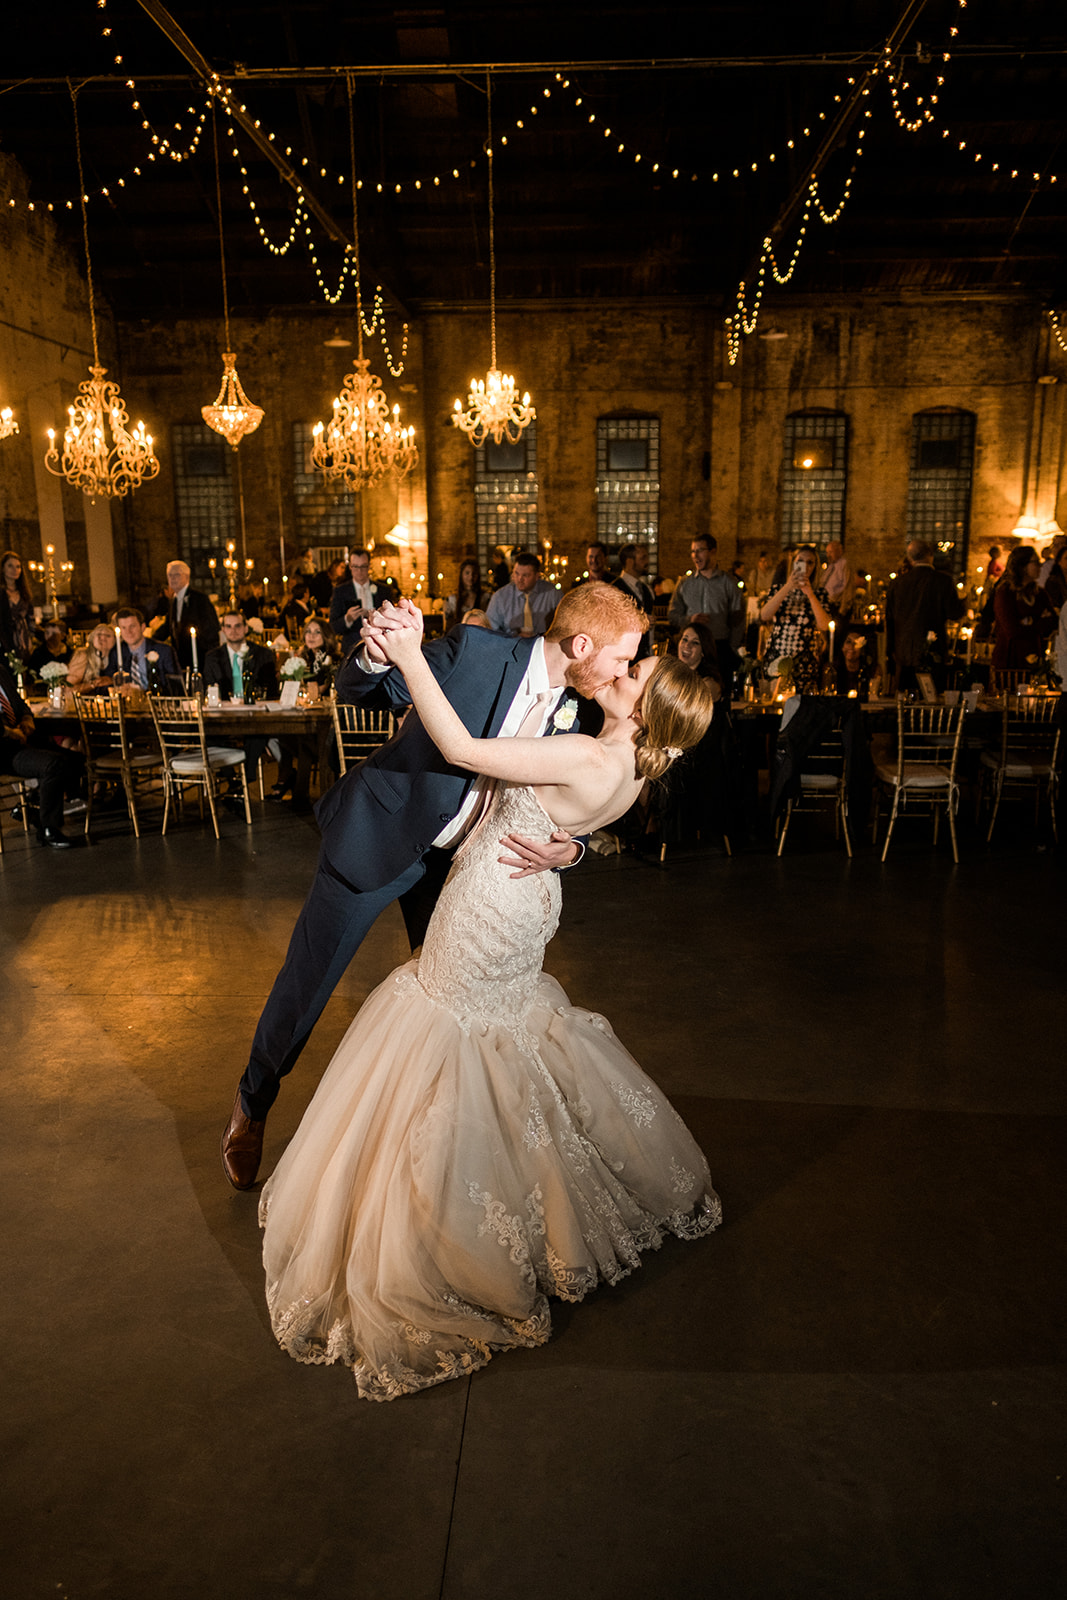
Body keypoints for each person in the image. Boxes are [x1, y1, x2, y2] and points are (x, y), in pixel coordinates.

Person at [258, 596, 720, 1400]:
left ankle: (443, 1218)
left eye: (633, 670)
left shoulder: (586, 745)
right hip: (522, 903)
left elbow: (462, 745)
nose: (623, 669)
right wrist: (573, 842)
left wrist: (405, 655)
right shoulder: (626, 765)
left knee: (448, 1027)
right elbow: (583, 810)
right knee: (499, 1031)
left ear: (643, 707)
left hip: (488, 904)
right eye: (628, 657)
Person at [222, 582, 649, 1192]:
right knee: (307, 986)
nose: (622, 673)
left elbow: (588, 801)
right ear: (582, 644)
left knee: (451, 1010)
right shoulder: (476, 650)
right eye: (621, 659)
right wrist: (377, 652)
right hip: (378, 838)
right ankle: (252, 1103)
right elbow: (363, 689)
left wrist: (572, 849)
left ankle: (428, 1145)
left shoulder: (583, 709)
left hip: (462, 876)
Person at [0, 657, 85, 848]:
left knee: (75, 760)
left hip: (21, 740)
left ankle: (33, 807)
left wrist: (28, 719)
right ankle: (50, 828)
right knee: (53, 764)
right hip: (4, 750)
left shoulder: (1, 672)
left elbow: (20, 705)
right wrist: (8, 732)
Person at [270, 619, 339, 807]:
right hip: (309, 720)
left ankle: (293, 786)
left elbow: (322, 690)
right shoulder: (303, 658)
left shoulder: (332, 659)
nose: (311, 636)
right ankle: (296, 790)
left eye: (317, 632)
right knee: (286, 734)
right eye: (308, 631)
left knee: (302, 740)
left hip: (331, 725)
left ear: (326, 636)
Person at [885, 539, 965, 694]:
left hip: (903, 651)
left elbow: (889, 619)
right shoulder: (943, 581)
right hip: (933, 650)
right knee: (932, 697)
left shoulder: (898, 583)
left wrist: (891, 649)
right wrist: (963, 602)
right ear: (930, 555)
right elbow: (955, 613)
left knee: (905, 698)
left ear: (910, 558)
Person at [668, 535, 746, 690]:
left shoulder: (729, 582)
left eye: (700, 550)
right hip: (691, 650)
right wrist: (690, 620)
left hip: (720, 648)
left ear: (713, 551)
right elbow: (672, 615)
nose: (695, 556)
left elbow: (739, 619)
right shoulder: (685, 583)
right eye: (692, 551)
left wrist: (732, 647)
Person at [759, 544, 831, 694]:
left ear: (815, 567)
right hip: (778, 654)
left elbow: (824, 625)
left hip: (804, 659)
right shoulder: (778, 588)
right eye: (800, 561)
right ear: (793, 564)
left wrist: (810, 594)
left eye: (810, 562)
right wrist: (788, 586)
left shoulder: (819, 593)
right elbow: (764, 615)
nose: (805, 566)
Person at [992, 547, 1057, 672]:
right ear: (1022, 566)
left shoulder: (1040, 594)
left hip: (1035, 657)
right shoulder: (1006, 593)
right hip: (1009, 660)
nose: (1040, 566)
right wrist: (1039, 622)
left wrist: (1028, 622)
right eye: (1035, 562)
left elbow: (1053, 621)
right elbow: (1012, 630)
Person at [147, 560, 220, 670]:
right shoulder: (174, 600)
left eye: (176, 575)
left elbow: (211, 630)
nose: (172, 578)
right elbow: (168, 627)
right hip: (181, 659)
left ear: (187, 577)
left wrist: (211, 660)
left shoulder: (200, 599)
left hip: (200, 659)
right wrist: (148, 642)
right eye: (169, 575)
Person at [484, 551, 557, 637]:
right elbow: (489, 630)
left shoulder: (553, 594)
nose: (519, 579)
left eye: (525, 575)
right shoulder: (500, 597)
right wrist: (513, 637)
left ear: (537, 576)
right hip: (510, 647)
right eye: (516, 573)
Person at [330, 549, 387, 651]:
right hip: (352, 648)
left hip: (380, 645)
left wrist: (375, 616)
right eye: (355, 566)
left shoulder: (383, 590)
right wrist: (347, 619)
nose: (359, 571)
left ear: (369, 566)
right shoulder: (340, 591)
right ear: (350, 566)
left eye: (363, 566)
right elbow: (333, 627)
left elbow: (390, 621)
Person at [107, 608, 179, 689]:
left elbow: (176, 686)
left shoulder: (163, 651)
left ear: (143, 627)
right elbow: (108, 682)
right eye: (123, 628)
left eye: (132, 626)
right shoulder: (116, 653)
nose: (128, 632)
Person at [612, 544, 655, 659]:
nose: (647, 562)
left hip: (644, 655)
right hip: (624, 657)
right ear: (630, 562)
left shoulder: (645, 589)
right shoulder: (614, 590)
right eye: (642, 558)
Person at [0, 550, 38, 668]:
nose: (14, 570)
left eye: (18, 566)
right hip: (6, 636)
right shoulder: (1, 592)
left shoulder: (24, 592)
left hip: (24, 637)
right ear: (2, 568)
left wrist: (32, 637)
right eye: (10, 566)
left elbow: (30, 617)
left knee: (25, 668)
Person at [67, 624, 117, 690]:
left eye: (107, 635)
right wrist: (93, 684)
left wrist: (111, 680)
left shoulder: (116, 656)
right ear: (92, 638)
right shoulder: (83, 654)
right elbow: (69, 688)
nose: (102, 638)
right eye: (99, 634)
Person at [822, 541, 857, 622]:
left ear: (839, 551)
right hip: (828, 606)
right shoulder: (830, 566)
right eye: (827, 552)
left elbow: (848, 587)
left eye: (831, 552)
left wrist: (842, 611)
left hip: (838, 607)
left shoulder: (845, 565)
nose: (828, 555)